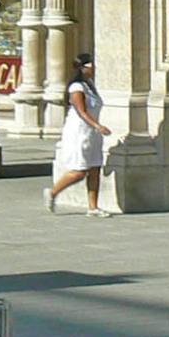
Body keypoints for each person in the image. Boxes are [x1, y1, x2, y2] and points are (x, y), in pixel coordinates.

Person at [46, 51, 115, 218]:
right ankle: (53, 192)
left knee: (94, 169)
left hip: (92, 133)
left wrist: (96, 128)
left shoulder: (89, 85)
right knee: (79, 171)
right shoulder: (76, 87)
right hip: (79, 132)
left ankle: (93, 207)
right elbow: (81, 111)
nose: (93, 68)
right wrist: (98, 126)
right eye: (91, 65)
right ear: (83, 68)